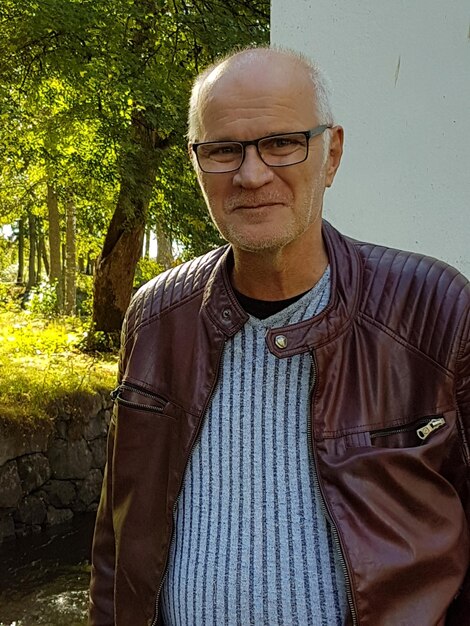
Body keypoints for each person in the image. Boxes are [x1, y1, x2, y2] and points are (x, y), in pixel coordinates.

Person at [88, 46, 470, 626]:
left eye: (282, 142)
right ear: (197, 166)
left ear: (331, 153)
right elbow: (116, 546)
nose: (251, 173)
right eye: (223, 150)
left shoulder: (432, 310)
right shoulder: (156, 320)